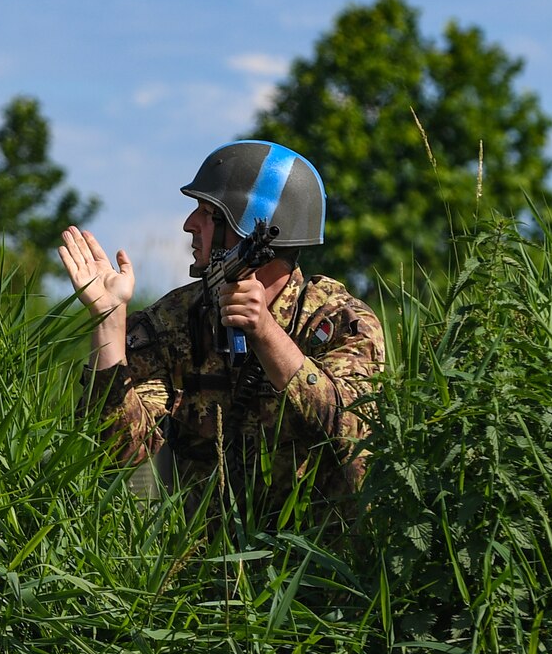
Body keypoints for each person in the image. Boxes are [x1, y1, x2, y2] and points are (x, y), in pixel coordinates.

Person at [57, 140, 385, 524]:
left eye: (207, 213)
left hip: (322, 564)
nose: (188, 225)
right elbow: (114, 453)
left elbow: (349, 432)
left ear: (252, 229)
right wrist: (109, 320)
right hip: (207, 567)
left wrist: (264, 331)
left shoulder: (338, 322)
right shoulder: (176, 319)